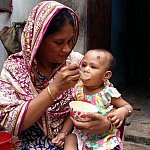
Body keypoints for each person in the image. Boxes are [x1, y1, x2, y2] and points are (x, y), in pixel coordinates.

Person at [0, 1, 112, 150]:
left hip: (75, 140)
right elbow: (9, 124)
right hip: (31, 144)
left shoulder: (77, 62)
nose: (66, 49)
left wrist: (107, 123)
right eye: (58, 42)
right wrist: (54, 89)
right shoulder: (16, 68)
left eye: (70, 41)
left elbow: (108, 96)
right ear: (38, 40)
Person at [52, 49, 133, 150]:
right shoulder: (77, 89)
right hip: (81, 136)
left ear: (106, 75)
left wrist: (123, 111)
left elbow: (128, 106)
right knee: (70, 139)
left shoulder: (108, 93)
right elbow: (71, 115)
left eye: (93, 67)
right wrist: (63, 133)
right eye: (84, 65)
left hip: (103, 138)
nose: (86, 69)